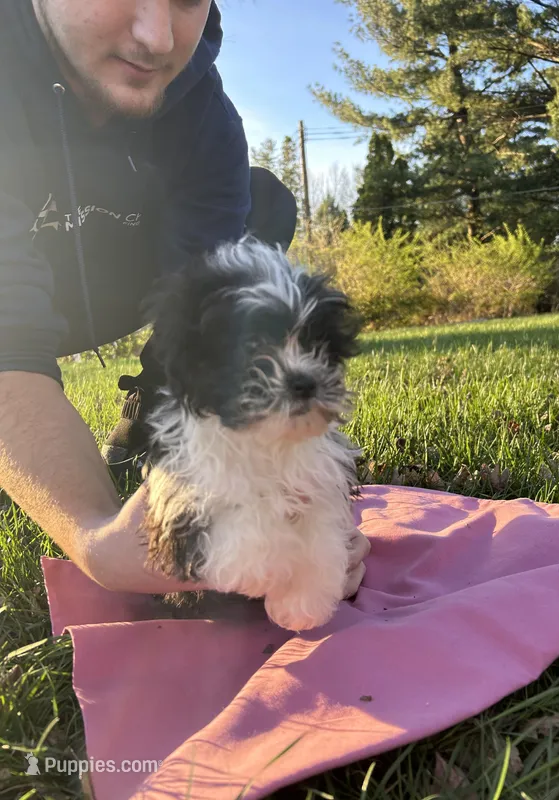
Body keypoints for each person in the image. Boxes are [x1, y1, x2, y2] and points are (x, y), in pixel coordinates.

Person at [0, 0, 370, 599]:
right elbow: (5, 336)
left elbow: (207, 306)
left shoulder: (204, 114)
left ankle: (155, 415)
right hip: (18, 280)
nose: (157, 35)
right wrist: (95, 534)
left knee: (260, 204)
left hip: (106, 267)